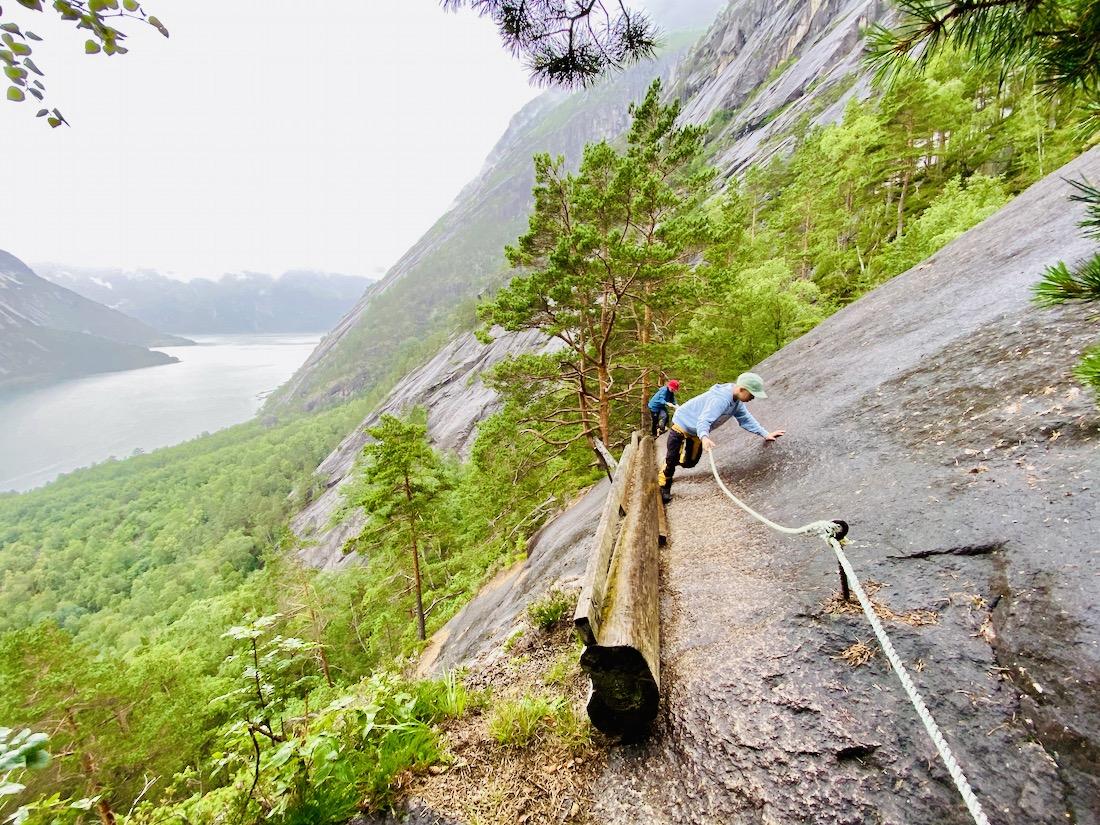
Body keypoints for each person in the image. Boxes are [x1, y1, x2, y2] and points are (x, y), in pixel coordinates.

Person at [658, 372, 785, 504]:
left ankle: (675, 459)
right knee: (671, 459)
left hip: (696, 432)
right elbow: (704, 420)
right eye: (752, 394)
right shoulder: (721, 399)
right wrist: (704, 437)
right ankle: (664, 485)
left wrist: (765, 434)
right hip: (682, 424)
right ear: (742, 389)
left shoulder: (737, 402)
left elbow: (746, 419)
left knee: (690, 463)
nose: (752, 398)